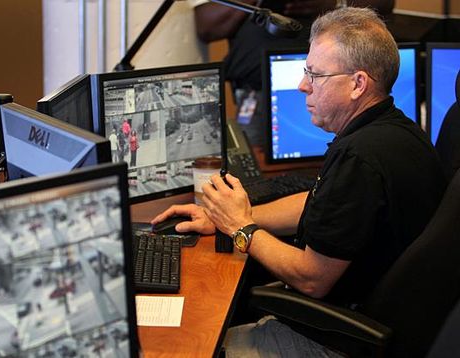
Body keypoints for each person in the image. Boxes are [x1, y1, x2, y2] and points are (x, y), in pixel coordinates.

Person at [152, 7, 446, 356]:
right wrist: (227, 217)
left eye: (314, 74)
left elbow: (311, 278)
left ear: (358, 84)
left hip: (339, 337)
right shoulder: (396, 131)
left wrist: (241, 228)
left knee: (195, 345)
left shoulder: (360, 159)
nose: (302, 85)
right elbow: (320, 202)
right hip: (380, 317)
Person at [189, 0, 394, 147]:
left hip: (332, 84)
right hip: (255, 94)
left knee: (333, 166)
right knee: (256, 173)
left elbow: (385, 5)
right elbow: (206, 26)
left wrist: (335, 4)